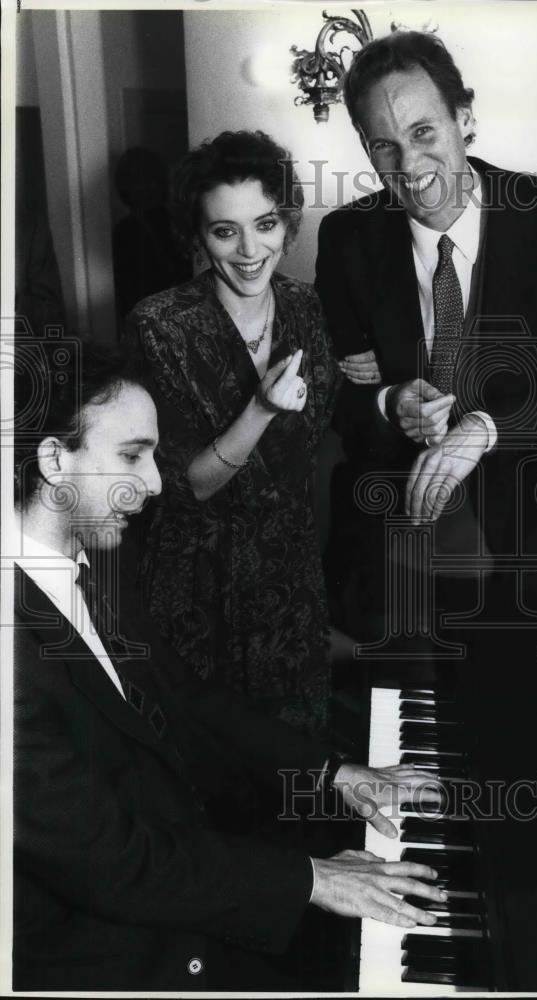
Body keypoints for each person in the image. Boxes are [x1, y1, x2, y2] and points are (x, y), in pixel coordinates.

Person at [11, 341, 447, 992]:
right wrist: (313, 878)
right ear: (53, 459)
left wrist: (334, 772)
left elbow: (184, 698)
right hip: (93, 945)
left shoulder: (93, 555)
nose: (156, 483)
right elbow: (110, 857)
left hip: (174, 860)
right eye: (132, 456)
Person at [315, 31, 537, 629]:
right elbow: (333, 396)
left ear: (464, 117)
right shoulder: (346, 238)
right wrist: (386, 400)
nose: (408, 166)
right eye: (384, 145)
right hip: (393, 517)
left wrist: (482, 429)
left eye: (423, 132)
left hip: (531, 511)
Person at [126, 130, 356, 732]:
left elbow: (327, 422)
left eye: (267, 224)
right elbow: (188, 486)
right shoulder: (160, 328)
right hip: (198, 587)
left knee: (298, 764)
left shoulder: (307, 308)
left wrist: (385, 393)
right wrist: (260, 409)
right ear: (198, 236)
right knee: (212, 768)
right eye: (225, 231)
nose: (250, 249)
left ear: (287, 223)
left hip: (290, 578)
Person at [112, 147, 191, 327]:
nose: (144, 188)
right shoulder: (126, 230)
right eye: (136, 182)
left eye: (149, 181)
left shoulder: (176, 219)